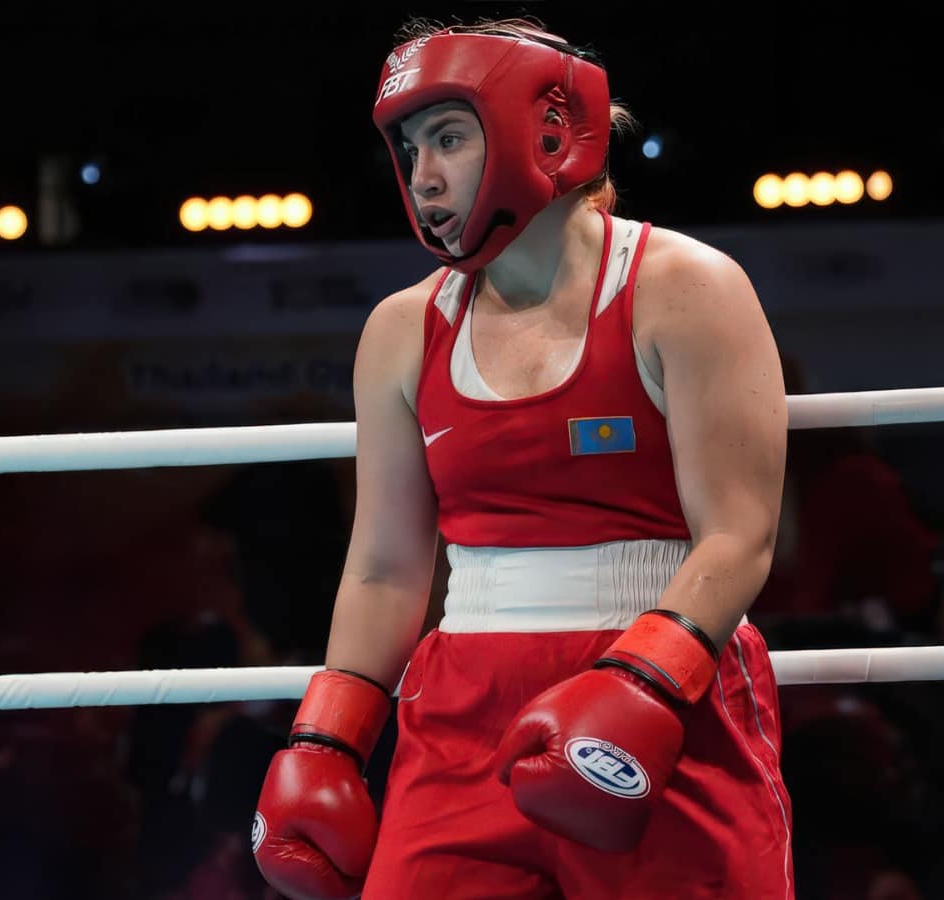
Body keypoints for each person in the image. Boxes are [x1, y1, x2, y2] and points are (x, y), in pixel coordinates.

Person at [252, 18, 793, 899]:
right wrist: (327, 739)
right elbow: (386, 568)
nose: (423, 176)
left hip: (668, 684)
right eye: (409, 148)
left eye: (449, 138)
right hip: (460, 704)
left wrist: (642, 682)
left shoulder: (685, 288)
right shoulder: (402, 329)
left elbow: (740, 534)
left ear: (547, 134)